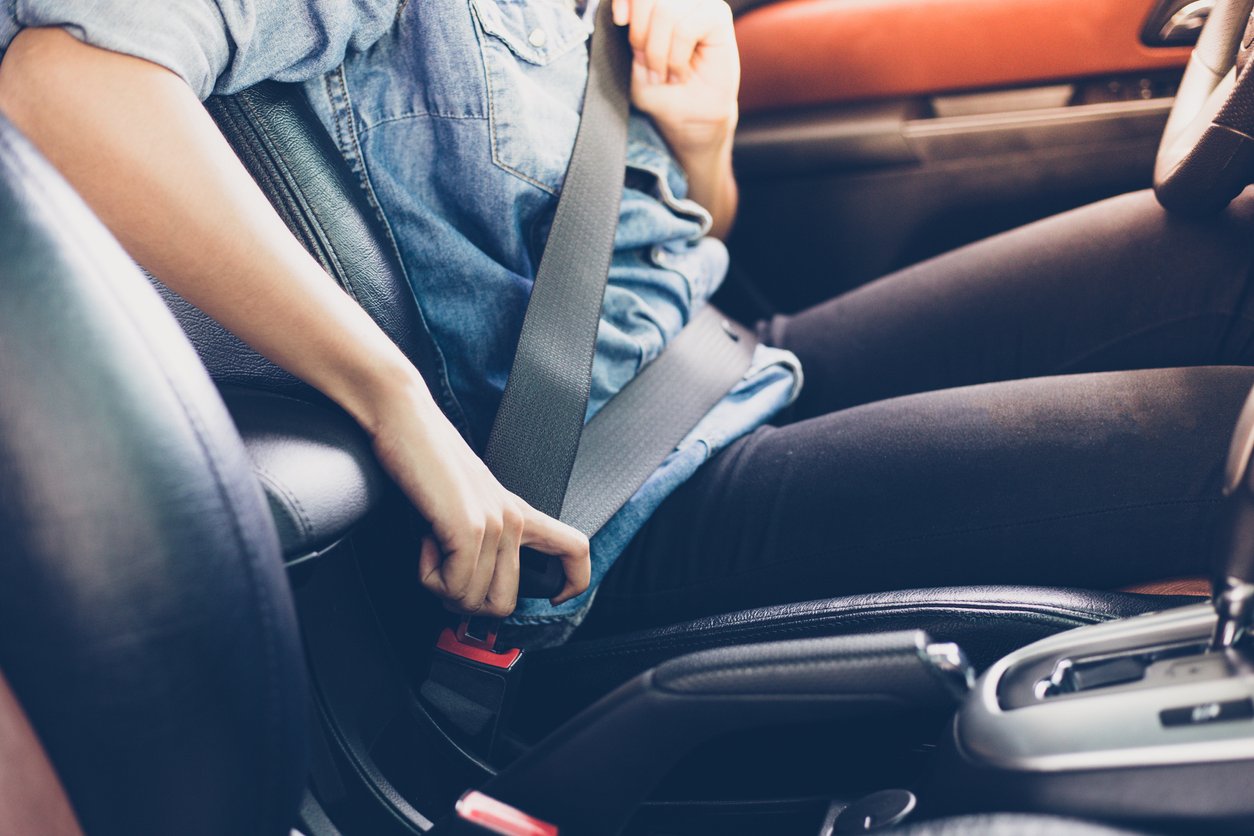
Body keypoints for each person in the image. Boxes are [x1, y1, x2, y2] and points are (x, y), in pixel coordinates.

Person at [2, 0, 1252, 647]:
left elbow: (688, 229)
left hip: (723, 364)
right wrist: (399, 410)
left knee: (1212, 244)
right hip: (614, 501)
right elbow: (60, 80)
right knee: (1223, 448)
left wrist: (701, 129)